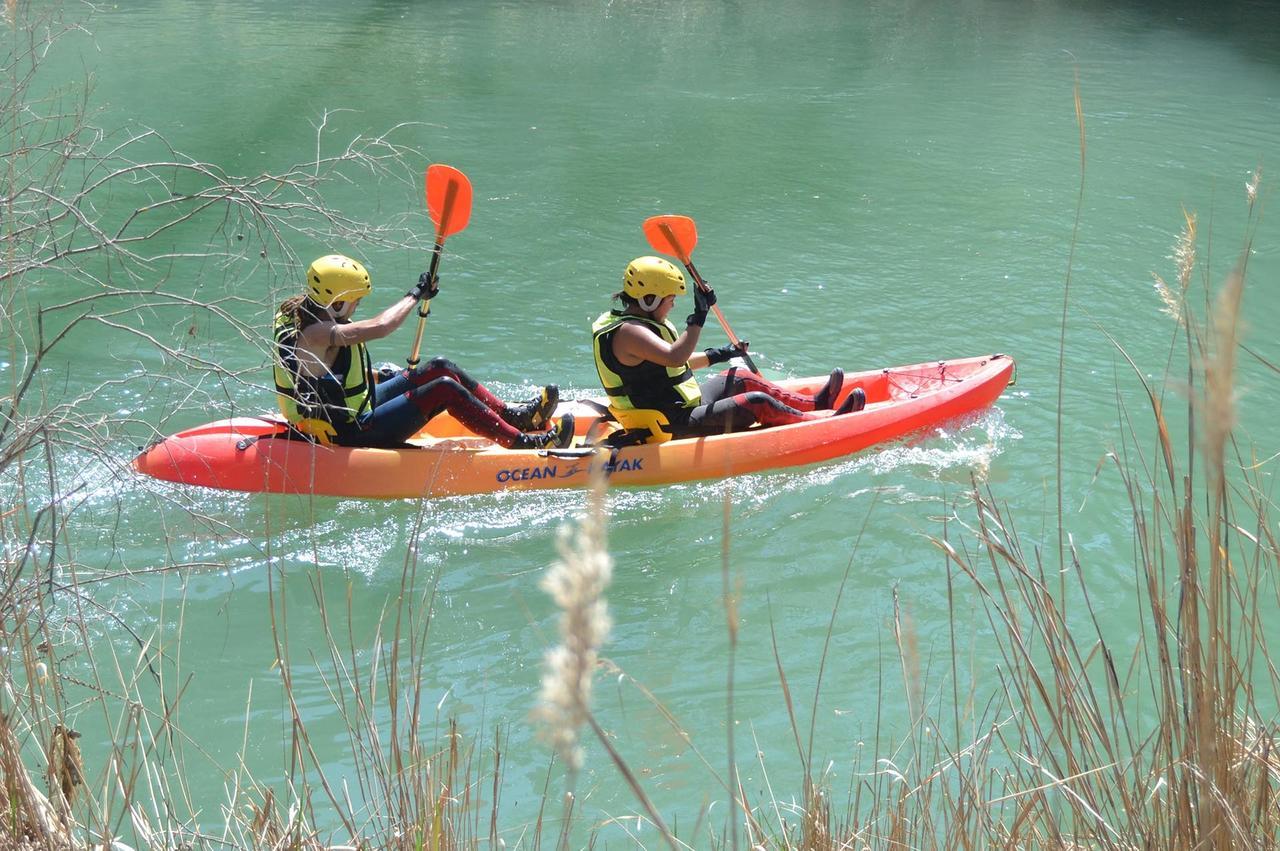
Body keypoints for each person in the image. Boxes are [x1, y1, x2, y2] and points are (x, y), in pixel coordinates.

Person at [273, 254, 574, 449]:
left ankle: (516, 416)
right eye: (355, 300)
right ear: (336, 302)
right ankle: (524, 443)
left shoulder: (305, 310)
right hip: (349, 431)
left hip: (359, 405)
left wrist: (376, 375)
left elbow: (326, 377)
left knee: (441, 367)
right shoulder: (314, 334)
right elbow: (381, 326)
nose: (358, 306)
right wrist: (415, 294)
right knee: (443, 390)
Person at [591, 256, 863, 443]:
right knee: (757, 402)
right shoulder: (628, 332)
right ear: (649, 300)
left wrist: (722, 353)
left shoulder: (640, 325)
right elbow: (675, 356)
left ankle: (817, 404)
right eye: (670, 299)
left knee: (740, 377)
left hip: (684, 406)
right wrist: (699, 315)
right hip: (669, 424)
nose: (673, 305)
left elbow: (676, 365)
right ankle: (818, 423)